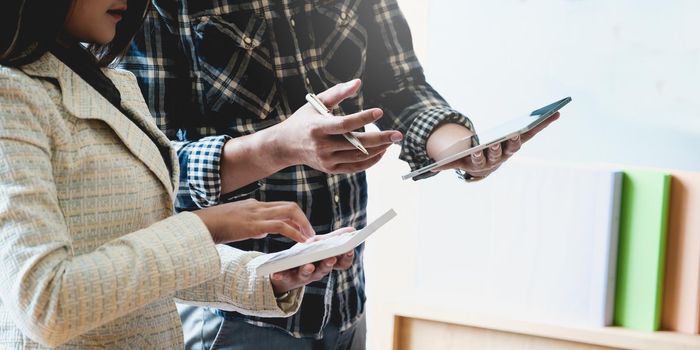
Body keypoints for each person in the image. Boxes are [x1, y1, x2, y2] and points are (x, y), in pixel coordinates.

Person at [123, 0, 559, 348]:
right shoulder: (152, 7)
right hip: (233, 315)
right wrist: (277, 148)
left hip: (345, 300)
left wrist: (458, 149)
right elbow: (145, 169)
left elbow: (400, 84)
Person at [0, 0, 348, 348]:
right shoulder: (10, 94)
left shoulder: (111, 83)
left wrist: (264, 275)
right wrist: (208, 226)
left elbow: (143, 261)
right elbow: (45, 305)